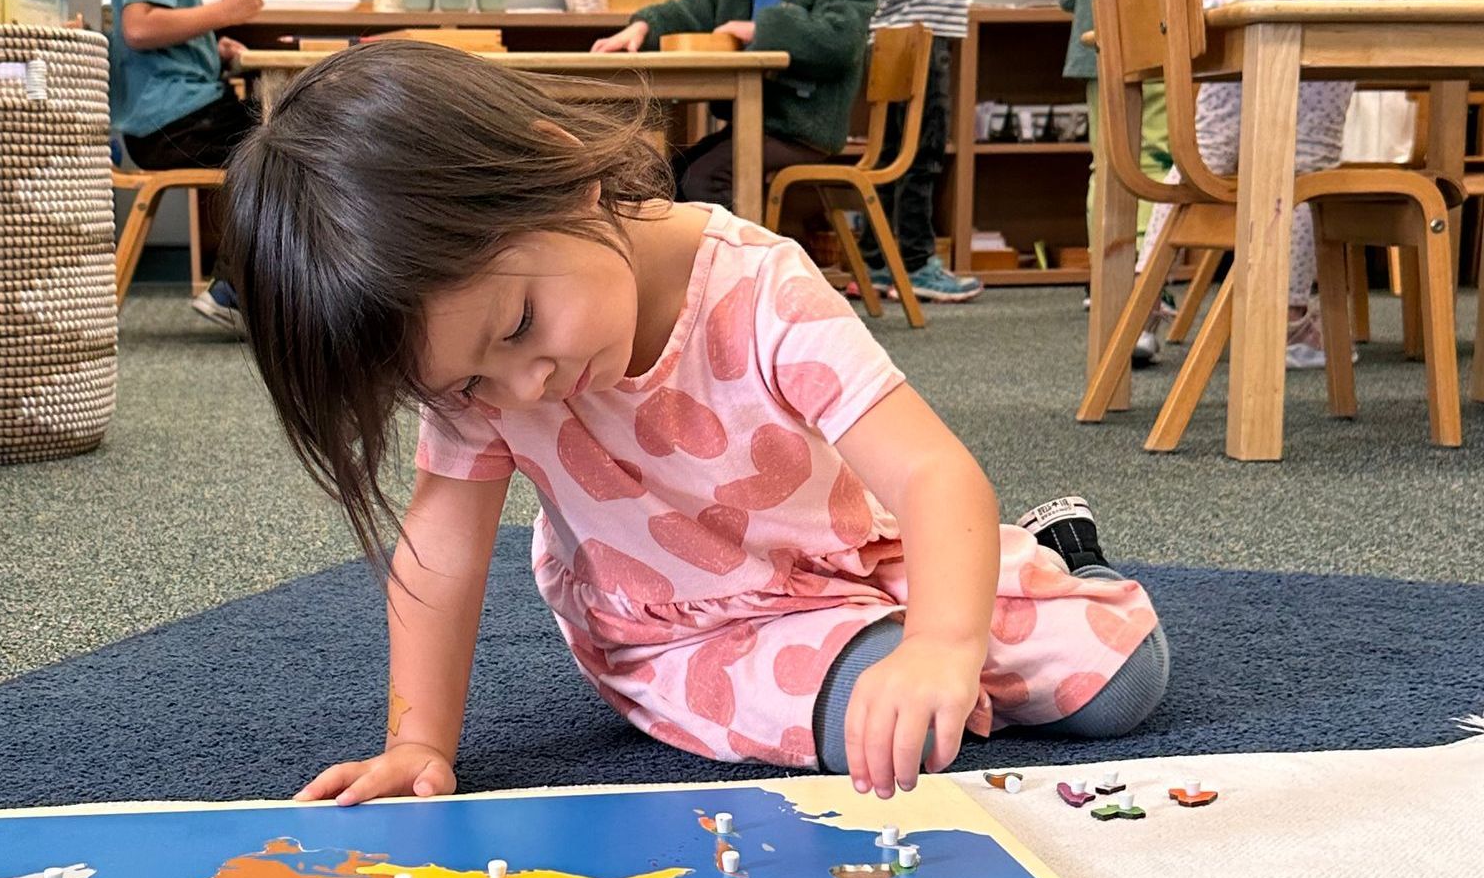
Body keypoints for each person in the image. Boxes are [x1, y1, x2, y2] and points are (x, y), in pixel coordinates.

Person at [219, 43, 1169, 804]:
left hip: (855, 559)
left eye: (518, 329)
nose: (525, 388)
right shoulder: (486, 377)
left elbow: (931, 475)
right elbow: (440, 552)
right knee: (885, 723)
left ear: (563, 175)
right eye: (468, 385)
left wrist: (944, 643)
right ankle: (956, 617)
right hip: (687, 633)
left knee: (1125, 680)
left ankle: (1053, 557)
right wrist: (417, 741)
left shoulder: (757, 286)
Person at [1134, 0, 1450, 369]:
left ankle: (1142, 304)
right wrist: (1438, 2)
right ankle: (1287, 320)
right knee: (1308, 158)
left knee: (1207, 149)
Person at [589, 0, 876, 211]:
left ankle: (742, 271)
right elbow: (691, 9)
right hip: (751, 123)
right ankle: (686, 266)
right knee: (667, 178)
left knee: (705, 180)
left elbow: (840, 39)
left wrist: (761, 30)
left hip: (803, 130)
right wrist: (644, 26)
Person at [110, 0, 264, 331]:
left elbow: (149, 32)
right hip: (177, 120)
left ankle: (236, 288)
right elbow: (139, 28)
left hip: (168, 119)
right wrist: (224, 12)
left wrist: (208, 48)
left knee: (276, 134)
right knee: (285, 144)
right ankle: (234, 290)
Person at [1059, 0, 1176, 361]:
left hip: (1099, 36)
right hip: (1161, 30)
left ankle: (1106, 283)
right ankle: (1141, 292)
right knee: (1155, 162)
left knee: (1108, 164)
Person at [849, 0, 986, 303]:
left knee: (893, 153)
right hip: (919, 32)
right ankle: (916, 263)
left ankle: (877, 261)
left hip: (899, 32)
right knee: (922, 153)